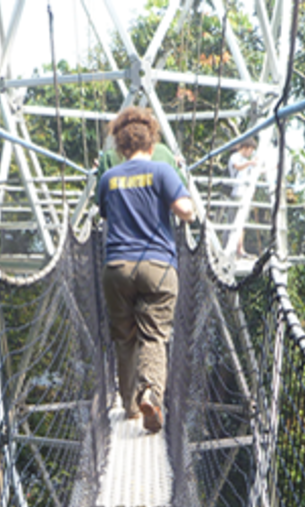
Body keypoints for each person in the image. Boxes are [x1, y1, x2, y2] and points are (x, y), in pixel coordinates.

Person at [98, 106, 196, 433]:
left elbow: (104, 214)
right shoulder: (161, 171)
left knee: (124, 338)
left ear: (120, 147)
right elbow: (187, 213)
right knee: (154, 336)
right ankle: (150, 392)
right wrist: (181, 187)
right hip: (157, 265)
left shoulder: (108, 178)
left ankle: (129, 407)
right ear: (151, 145)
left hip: (116, 268)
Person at [226, 137, 259, 258]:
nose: (250, 153)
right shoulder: (235, 157)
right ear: (245, 148)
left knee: (242, 223)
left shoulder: (244, 160)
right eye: (250, 150)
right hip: (237, 193)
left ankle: (240, 249)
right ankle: (236, 249)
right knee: (236, 222)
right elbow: (237, 166)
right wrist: (250, 162)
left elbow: (254, 171)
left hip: (244, 194)